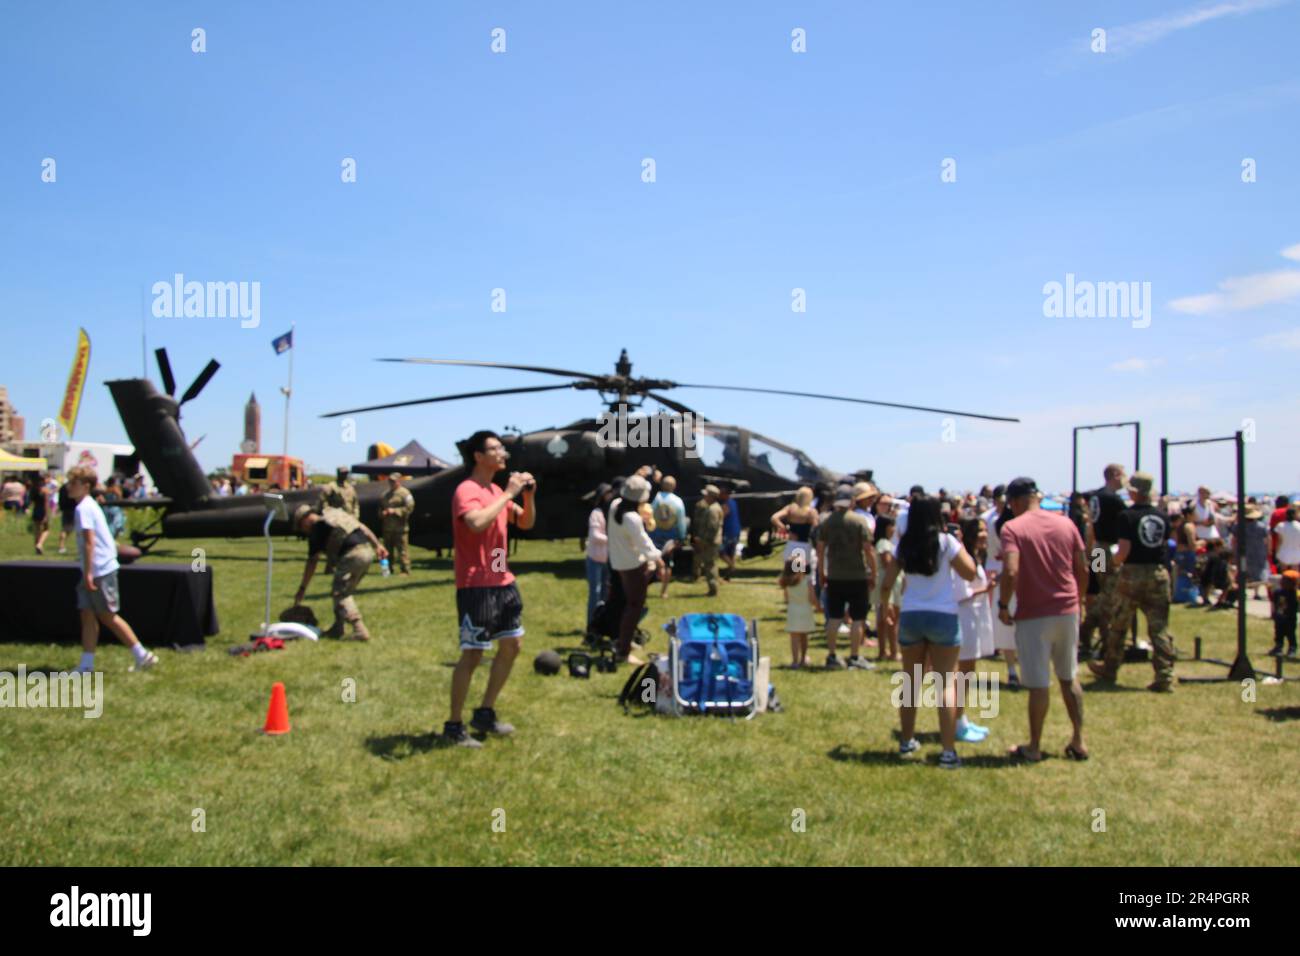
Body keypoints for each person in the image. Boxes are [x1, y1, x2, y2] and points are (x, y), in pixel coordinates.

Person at [443, 430, 535, 748]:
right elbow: (476, 523)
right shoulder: (467, 490)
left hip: (502, 580)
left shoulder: (495, 489)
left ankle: (485, 711)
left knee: (512, 646)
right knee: (473, 654)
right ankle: (453, 725)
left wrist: (527, 496)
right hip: (476, 584)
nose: (503, 454)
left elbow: (525, 524)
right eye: (495, 449)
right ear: (479, 457)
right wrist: (508, 494)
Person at [880, 495, 977, 768]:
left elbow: (887, 582)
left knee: (910, 682)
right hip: (943, 614)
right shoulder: (946, 542)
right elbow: (969, 572)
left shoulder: (904, 545)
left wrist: (885, 607)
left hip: (912, 614)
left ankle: (906, 740)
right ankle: (947, 751)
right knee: (945, 683)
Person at [998, 477, 1089, 761]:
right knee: (1068, 677)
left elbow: (1011, 571)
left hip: (1034, 613)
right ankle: (1078, 739)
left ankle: (1034, 746)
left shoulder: (1012, 528)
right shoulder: (1066, 523)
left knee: (1038, 684)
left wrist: (1003, 604)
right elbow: (1084, 565)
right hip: (1068, 609)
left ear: (1014, 502)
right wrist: (1081, 599)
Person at [64, 466, 158, 674]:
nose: (68, 487)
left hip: (99, 570)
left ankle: (142, 655)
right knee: (87, 614)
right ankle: (86, 664)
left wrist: (88, 573)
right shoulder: (88, 505)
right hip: (94, 569)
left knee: (107, 616)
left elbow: (90, 542)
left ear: (85, 486)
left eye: (73, 483)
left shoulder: (84, 508)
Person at [1087, 473, 1175, 691]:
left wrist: (1108, 563)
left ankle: (1096, 647)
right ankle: (1165, 675)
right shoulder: (1157, 515)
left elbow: (1094, 530)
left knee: (1108, 607)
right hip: (1153, 570)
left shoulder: (1102, 499)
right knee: (1158, 627)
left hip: (1104, 550)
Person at [293, 503, 387, 641]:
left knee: (341, 593)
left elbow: (312, 562)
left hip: (352, 555)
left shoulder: (317, 529)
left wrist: (302, 588)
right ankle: (338, 627)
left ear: (306, 519)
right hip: (367, 551)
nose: (303, 530)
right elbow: (362, 527)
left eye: (301, 526)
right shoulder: (336, 515)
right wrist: (377, 545)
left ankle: (359, 629)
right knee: (344, 591)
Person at [816, 487, 878, 670]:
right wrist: (873, 573)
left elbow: (820, 550)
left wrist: (821, 573)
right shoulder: (859, 521)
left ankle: (832, 655)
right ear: (851, 501)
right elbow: (868, 549)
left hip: (834, 574)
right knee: (858, 618)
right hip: (857, 575)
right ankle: (854, 656)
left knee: (834, 618)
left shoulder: (826, 522)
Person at [608, 474, 660, 664]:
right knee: (634, 607)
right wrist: (659, 557)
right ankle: (624, 651)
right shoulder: (632, 518)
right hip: (633, 566)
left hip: (619, 562)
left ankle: (624, 640)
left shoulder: (615, 506)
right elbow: (645, 544)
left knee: (626, 604)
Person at [1087, 464, 1129, 678]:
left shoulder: (1095, 496)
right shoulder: (1113, 499)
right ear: (1115, 476)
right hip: (1108, 549)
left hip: (1097, 549)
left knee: (1099, 590)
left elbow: (1090, 526)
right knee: (1109, 595)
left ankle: (1088, 633)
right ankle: (1097, 634)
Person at [954, 517, 994, 742]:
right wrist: (985, 589)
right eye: (980, 530)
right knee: (963, 673)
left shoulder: (976, 556)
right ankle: (957, 721)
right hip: (965, 618)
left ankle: (961, 718)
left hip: (974, 617)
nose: (985, 534)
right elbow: (960, 593)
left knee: (968, 672)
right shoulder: (964, 558)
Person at [649, 475, 687, 598]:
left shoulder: (655, 499)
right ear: (674, 486)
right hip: (670, 538)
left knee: (651, 562)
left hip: (654, 536)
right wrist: (681, 537)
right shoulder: (678, 501)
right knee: (667, 563)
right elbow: (681, 522)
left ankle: (643, 588)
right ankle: (664, 592)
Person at [780, 557, 820, 668]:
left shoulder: (787, 583)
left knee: (794, 638)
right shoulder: (807, 581)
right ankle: (803, 658)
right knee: (804, 637)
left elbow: (786, 599)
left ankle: (794, 661)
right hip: (805, 611)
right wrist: (818, 606)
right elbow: (812, 598)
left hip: (793, 611)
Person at [872, 516, 902, 662]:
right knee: (891, 619)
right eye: (892, 526)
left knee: (884, 619)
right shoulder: (884, 543)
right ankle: (893, 651)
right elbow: (888, 563)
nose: (894, 529)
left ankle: (884, 651)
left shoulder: (885, 543)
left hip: (888, 583)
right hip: (889, 584)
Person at [585, 483, 613, 627]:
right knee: (595, 594)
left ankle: (602, 625)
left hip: (607, 560)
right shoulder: (596, 513)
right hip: (595, 559)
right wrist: (612, 539)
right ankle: (591, 624)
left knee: (605, 595)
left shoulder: (612, 513)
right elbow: (595, 536)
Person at [379, 471, 416, 575]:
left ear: (399, 481)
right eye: (390, 481)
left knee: (402, 551)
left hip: (400, 528)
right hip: (387, 528)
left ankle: (405, 570)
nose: (391, 483)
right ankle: (387, 570)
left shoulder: (405, 493)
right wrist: (383, 513)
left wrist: (395, 511)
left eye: (393, 481)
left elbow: (410, 508)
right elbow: (380, 508)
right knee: (387, 551)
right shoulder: (385, 495)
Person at [691, 484, 724, 596]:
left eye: (706, 495)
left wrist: (703, 541)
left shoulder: (713, 510)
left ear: (711, 496)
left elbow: (712, 529)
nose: (704, 497)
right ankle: (712, 588)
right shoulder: (712, 507)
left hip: (710, 542)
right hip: (711, 542)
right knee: (710, 564)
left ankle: (713, 589)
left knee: (710, 565)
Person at [1269, 570, 1298, 657]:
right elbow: (1274, 603)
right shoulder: (1278, 592)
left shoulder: (1295, 594)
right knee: (1279, 633)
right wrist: (1274, 613)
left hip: (1290, 618)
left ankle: (1292, 648)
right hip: (1280, 617)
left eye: (1287, 581)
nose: (1283, 582)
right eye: (1283, 580)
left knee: (1290, 634)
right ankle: (1278, 646)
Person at [718, 484, 743, 580]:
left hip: (729, 532)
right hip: (736, 531)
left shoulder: (725, 504)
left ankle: (732, 566)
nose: (719, 495)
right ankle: (728, 576)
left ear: (725, 494)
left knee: (720, 551)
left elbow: (722, 517)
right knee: (731, 553)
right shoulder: (733, 502)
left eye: (720, 494)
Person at [29, 473, 51, 554]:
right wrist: (46, 514)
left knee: (37, 530)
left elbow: (31, 502)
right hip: (42, 510)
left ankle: (36, 547)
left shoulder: (33, 490)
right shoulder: (45, 490)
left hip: (36, 509)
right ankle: (40, 544)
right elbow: (46, 503)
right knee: (46, 529)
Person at [1274, 504, 1300, 571]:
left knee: (1284, 571)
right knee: (1295, 572)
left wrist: (1276, 552)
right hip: (1296, 551)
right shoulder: (1298, 526)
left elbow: (1279, 541)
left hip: (1284, 551)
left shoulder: (1280, 525)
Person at [57, 477, 76, 553]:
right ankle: (62, 545)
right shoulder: (74, 487)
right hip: (72, 509)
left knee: (64, 528)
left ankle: (61, 545)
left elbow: (60, 499)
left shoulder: (63, 487)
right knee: (69, 529)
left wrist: (61, 507)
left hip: (65, 509)